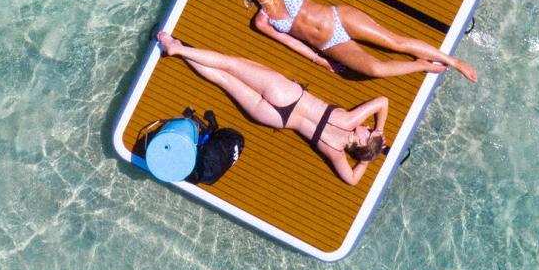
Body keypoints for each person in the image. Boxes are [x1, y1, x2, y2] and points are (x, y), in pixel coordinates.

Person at [155, 35, 389, 185]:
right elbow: (352, 179)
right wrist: (367, 158)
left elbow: (383, 101)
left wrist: (380, 130)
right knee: (223, 80)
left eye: (368, 133)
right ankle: (178, 51)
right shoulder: (336, 153)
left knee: (229, 64)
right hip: (276, 118)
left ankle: (179, 49)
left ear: (361, 141)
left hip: (287, 94)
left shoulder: (350, 119)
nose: (368, 129)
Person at [232, 0, 477, 82]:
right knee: (374, 70)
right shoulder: (262, 21)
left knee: (395, 42)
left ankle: (453, 61)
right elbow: (289, 41)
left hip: (340, 17)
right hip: (330, 44)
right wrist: (321, 61)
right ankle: (420, 65)